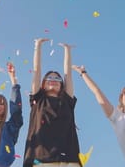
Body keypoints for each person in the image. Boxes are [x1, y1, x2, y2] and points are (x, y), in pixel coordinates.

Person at [23, 38, 82, 167]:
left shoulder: (67, 101)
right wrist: (37, 46)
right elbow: (37, 70)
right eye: (49, 77)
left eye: (57, 78)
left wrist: (67, 50)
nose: (53, 80)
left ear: (62, 85)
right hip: (40, 160)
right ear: (43, 84)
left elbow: (68, 75)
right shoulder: (38, 100)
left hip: (69, 160)